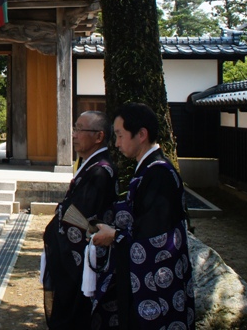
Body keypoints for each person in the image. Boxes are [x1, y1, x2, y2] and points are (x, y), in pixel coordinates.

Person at [91, 103, 195, 330]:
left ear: (141, 134)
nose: (116, 143)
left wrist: (115, 235)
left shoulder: (159, 173)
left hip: (157, 283)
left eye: (120, 135)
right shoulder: (149, 169)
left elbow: (154, 235)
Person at [42, 111, 117, 329]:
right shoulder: (91, 166)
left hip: (78, 261)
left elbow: (81, 219)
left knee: (76, 317)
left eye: (79, 129)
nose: (74, 134)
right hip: (72, 258)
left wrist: (58, 236)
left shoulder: (101, 171)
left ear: (99, 136)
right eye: (74, 128)